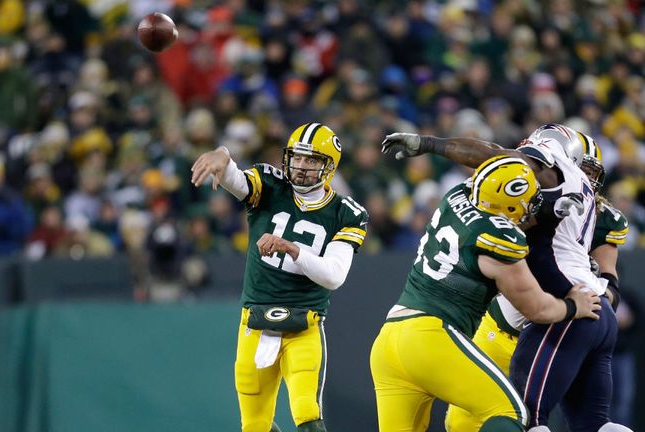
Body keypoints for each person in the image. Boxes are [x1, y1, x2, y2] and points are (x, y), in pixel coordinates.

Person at [382, 123, 628, 432]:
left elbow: (493, 159)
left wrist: (428, 143)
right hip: (587, 314)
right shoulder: (572, 202)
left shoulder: (472, 205)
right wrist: (600, 301)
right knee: (594, 424)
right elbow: (534, 215)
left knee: (521, 418)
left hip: (551, 316)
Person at [191, 123, 368, 432]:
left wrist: (292, 249)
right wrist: (223, 155)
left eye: (311, 160)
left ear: (328, 166)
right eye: (297, 157)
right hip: (255, 322)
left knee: (307, 417)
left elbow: (334, 276)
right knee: (254, 426)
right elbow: (235, 180)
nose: (300, 166)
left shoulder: (345, 212)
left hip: (304, 324)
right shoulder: (271, 185)